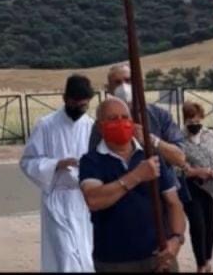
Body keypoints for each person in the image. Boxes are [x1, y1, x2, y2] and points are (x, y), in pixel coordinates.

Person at [79, 96, 186, 272]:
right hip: (114, 262)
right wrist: (136, 176)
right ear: (100, 126)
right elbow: (94, 200)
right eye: (113, 119)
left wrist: (176, 239)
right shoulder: (92, 161)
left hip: (158, 259)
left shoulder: (152, 157)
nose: (121, 123)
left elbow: (174, 203)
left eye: (125, 117)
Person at [19, 74, 96, 272]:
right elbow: (28, 161)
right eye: (75, 103)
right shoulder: (46, 125)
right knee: (65, 253)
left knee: (85, 252)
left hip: (84, 199)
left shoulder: (91, 126)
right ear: (65, 99)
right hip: (56, 198)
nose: (79, 108)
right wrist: (56, 164)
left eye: (84, 105)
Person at [88, 64, 186, 170]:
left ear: (138, 83)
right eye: (117, 83)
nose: (123, 87)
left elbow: (180, 158)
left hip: (160, 183)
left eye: (128, 80)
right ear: (109, 89)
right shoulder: (103, 122)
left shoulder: (160, 116)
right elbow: (94, 163)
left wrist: (151, 140)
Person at [180, 102, 213, 273]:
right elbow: (176, 166)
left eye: (196, 120)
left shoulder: (211, 136)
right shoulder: (179, 139)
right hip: (191, 187)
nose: (194, 124)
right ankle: (200, 264)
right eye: (190, 121)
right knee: (197, 225)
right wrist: (195, 172)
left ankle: (208, 258)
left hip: (211, 187)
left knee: (211, 226)